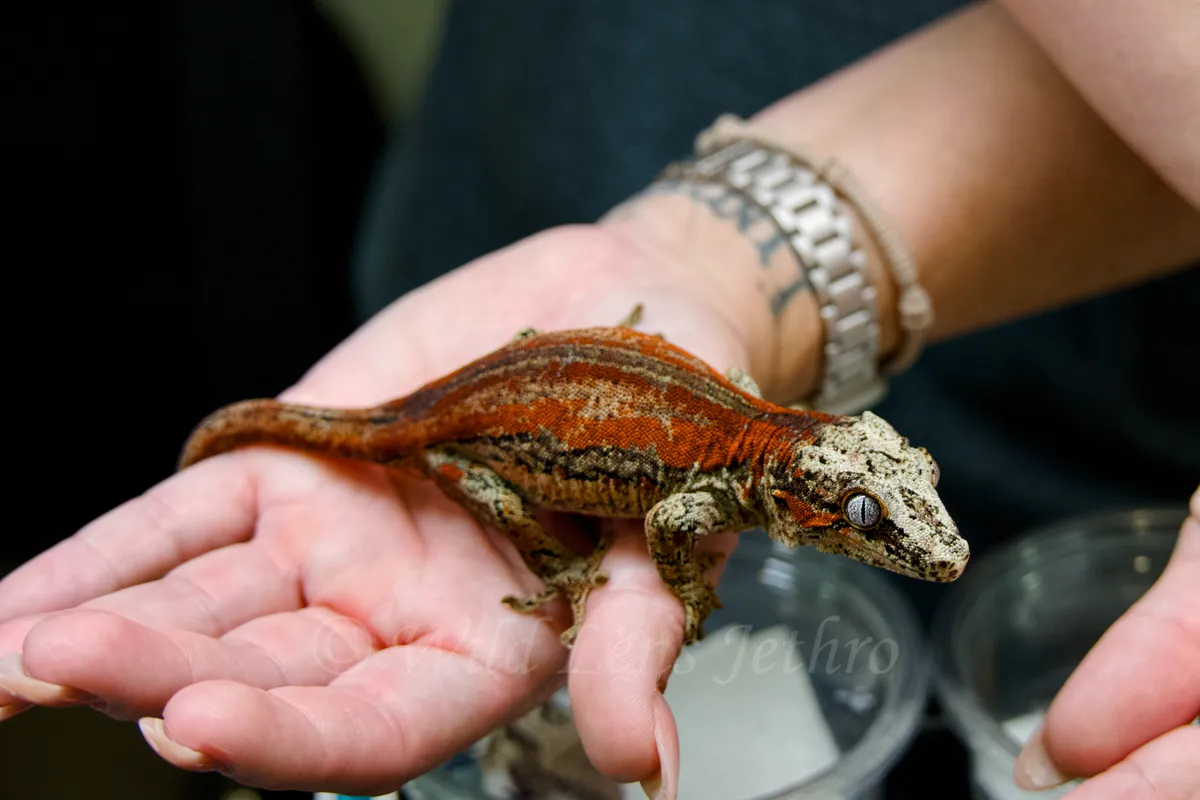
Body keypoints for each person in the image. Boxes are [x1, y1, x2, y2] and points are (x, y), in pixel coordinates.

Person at [1, 2, 1198, 798]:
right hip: (483, 385)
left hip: (1072, 395)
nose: (893, 529)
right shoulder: (725, 472)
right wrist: (599, 568)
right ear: (813, 483)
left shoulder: (749, 437)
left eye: (885, 510)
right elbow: (677, 526)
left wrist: (716, 276)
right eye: (880, 513)